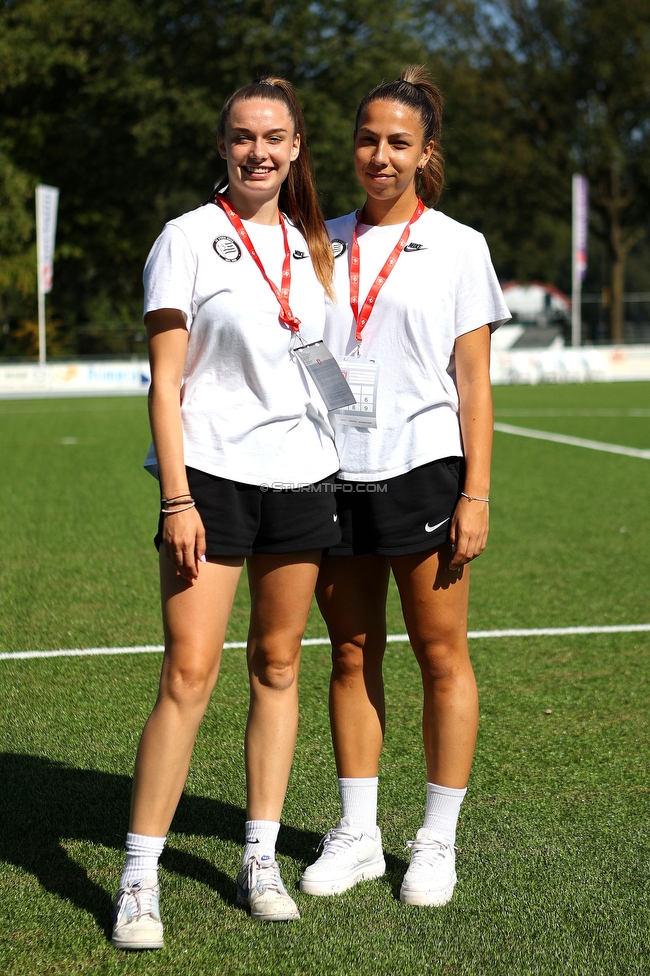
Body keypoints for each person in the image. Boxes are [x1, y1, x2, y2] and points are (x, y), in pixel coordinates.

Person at [111, 76, 341, 949]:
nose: (259, 151)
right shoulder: (188, 239)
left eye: (274, 138)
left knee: (279, 665)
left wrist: (353, 447)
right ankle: (140, 878)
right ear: (223, 146)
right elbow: (165, 382)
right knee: (188, 675)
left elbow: (318, 359)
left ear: (294, 148)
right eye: (244, 137)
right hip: (208, 477)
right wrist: (175, 496)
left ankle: (261, 855)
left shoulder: (313, 242)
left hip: (305, 476)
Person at [299, 65, 510, 907]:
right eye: (367, 139)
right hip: (328, 473)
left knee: (440, 655)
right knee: (350, 653)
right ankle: (357, 834)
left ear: (427, 153)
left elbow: (475, 381)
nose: (379, 156)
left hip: (425, 473)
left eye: (398, 142)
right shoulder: (319, 240)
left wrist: (477, 494)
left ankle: (436, 841)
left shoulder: (460, 245)